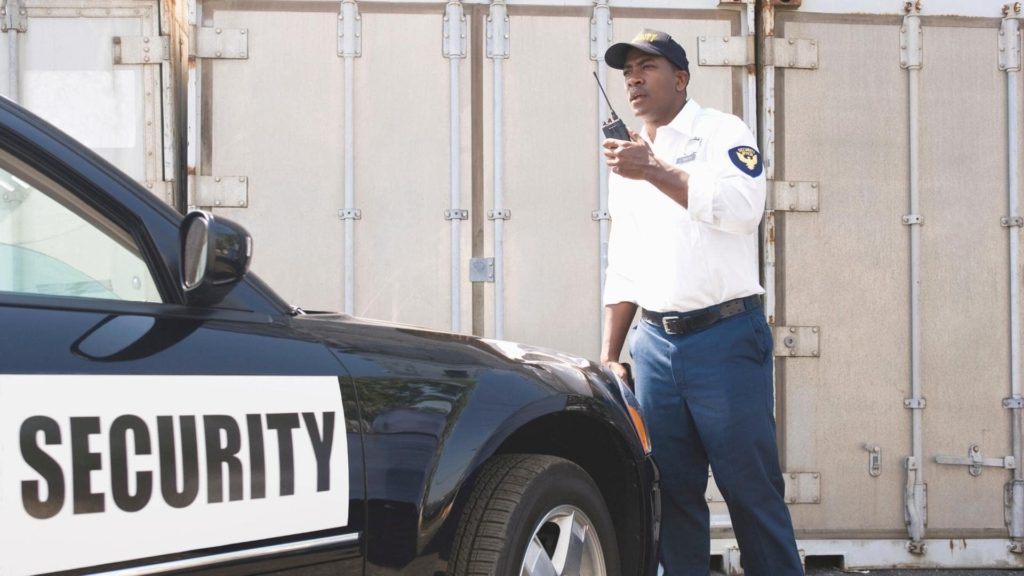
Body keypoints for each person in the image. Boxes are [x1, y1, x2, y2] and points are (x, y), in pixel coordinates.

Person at [599, 28, 803, 575]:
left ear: (681, 78)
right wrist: (612, 352)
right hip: (656, 349)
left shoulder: (722, 131)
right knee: (672, 499)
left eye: (649, 67)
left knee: (751, 493)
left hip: (725, 339)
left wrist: (655, 170)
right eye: (627, 73)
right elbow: (625, 260)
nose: (635, 79)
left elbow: (743, 208)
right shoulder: (628, 160)